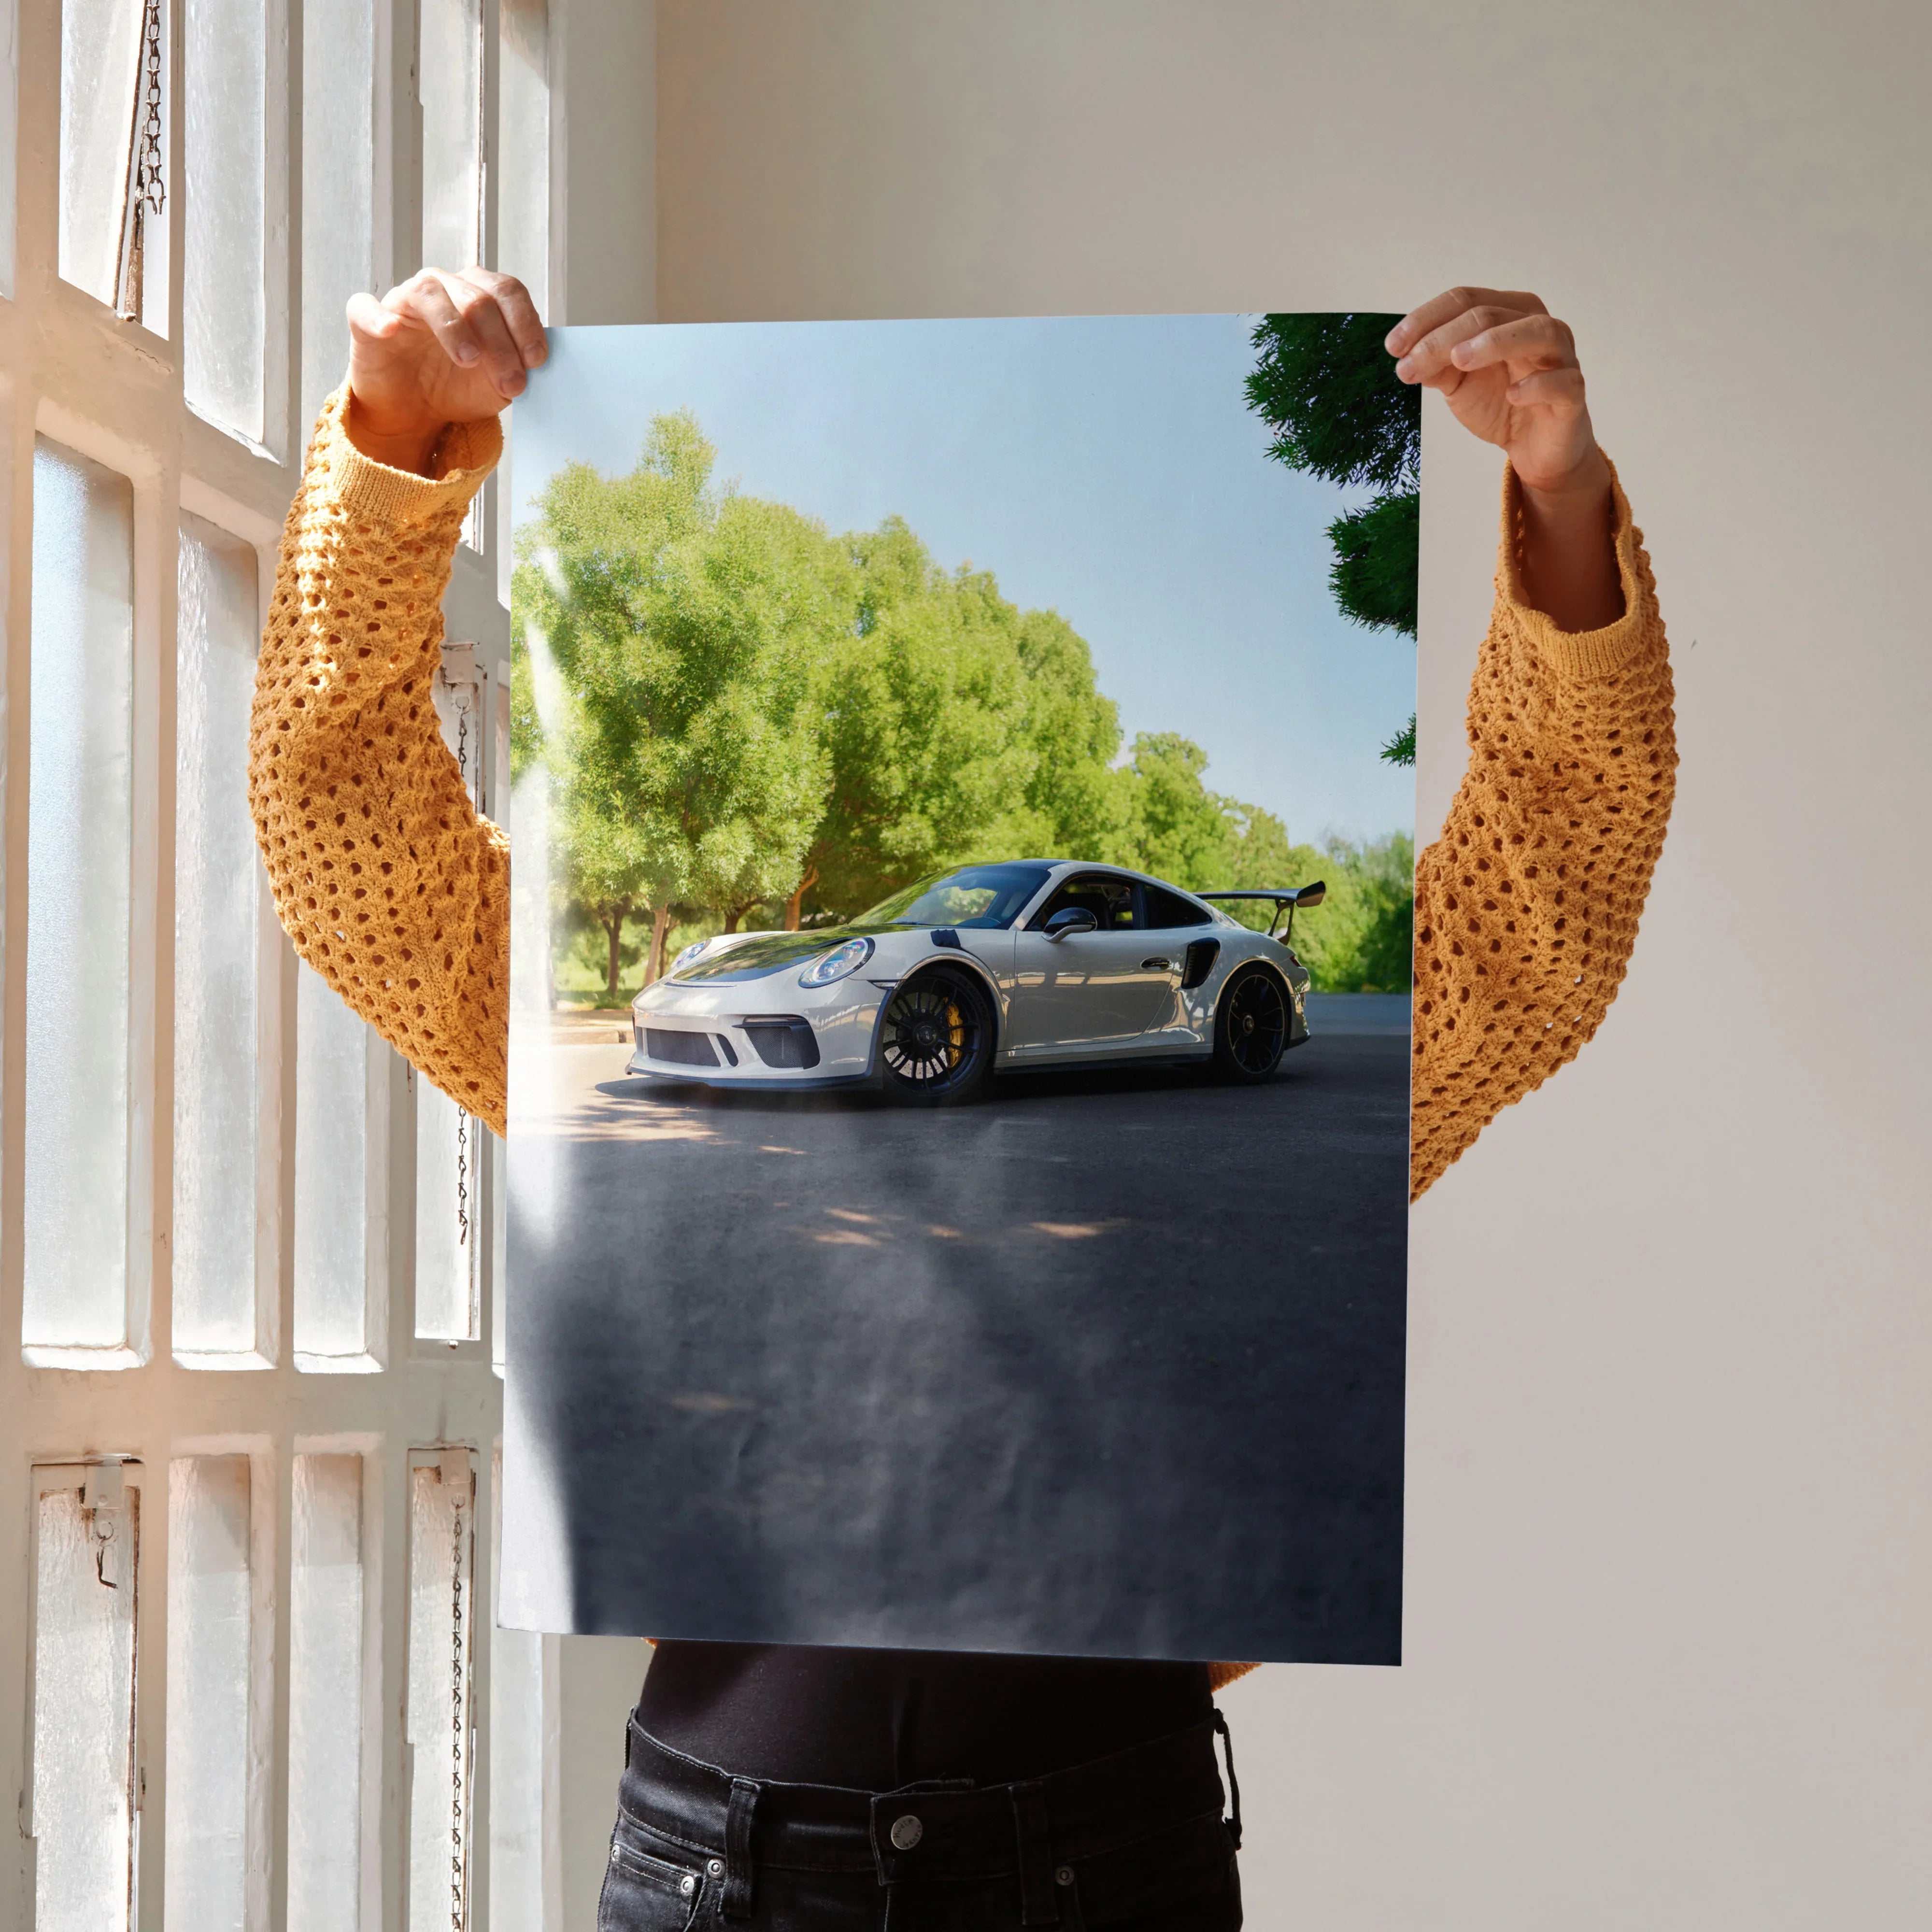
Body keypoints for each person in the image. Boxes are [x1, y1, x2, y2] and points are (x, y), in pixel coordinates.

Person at [249, 271, 1675, 1929]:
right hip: (725, 1864)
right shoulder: (678, 1082)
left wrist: (1559, 495)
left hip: (1104, 1853)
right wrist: (393, 444)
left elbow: (1543, 914)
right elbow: (348, 843)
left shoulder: (1257, 1097)